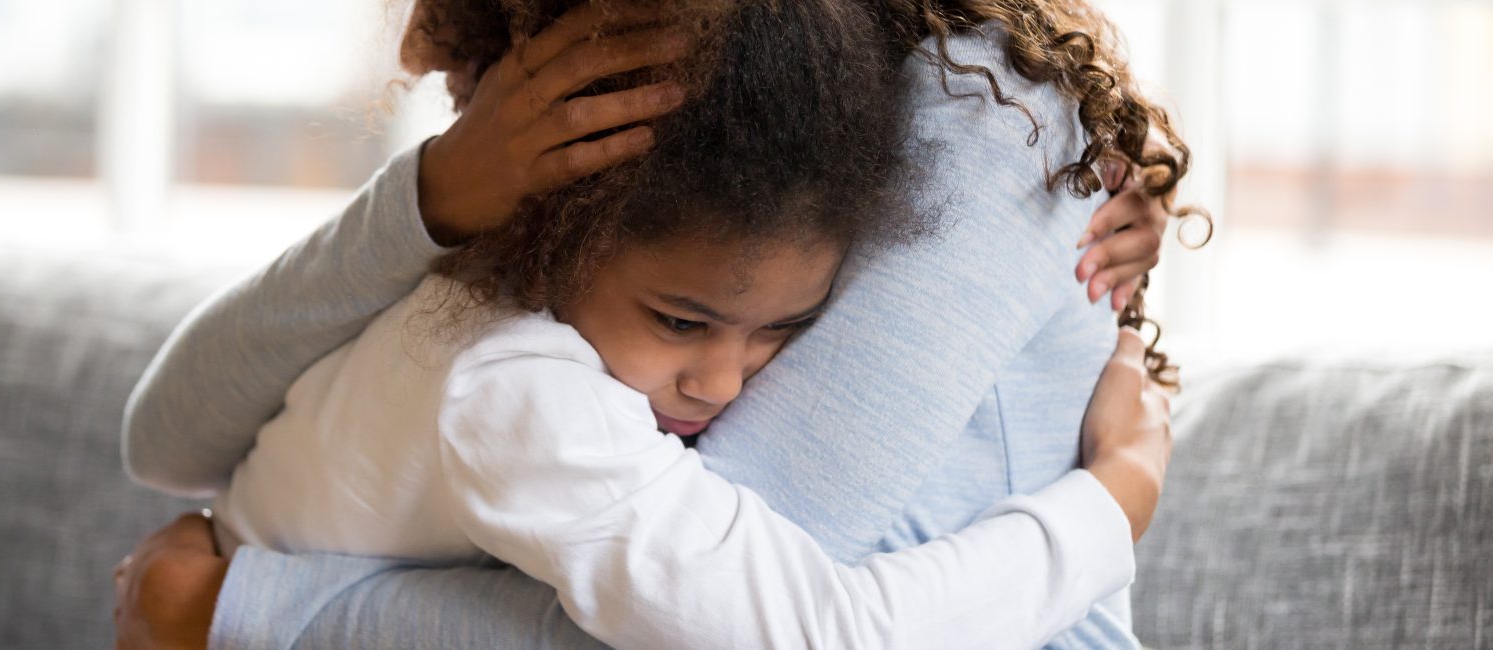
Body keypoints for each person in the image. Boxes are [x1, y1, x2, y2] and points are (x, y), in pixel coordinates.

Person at [115, 0, 1192, 647]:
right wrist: (434, 198)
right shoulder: (616, 103)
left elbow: (744, 625)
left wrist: (242, 610)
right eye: (683, 322)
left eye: (779, 331)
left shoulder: (985, 109)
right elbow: (168, 436)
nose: (725, 379)